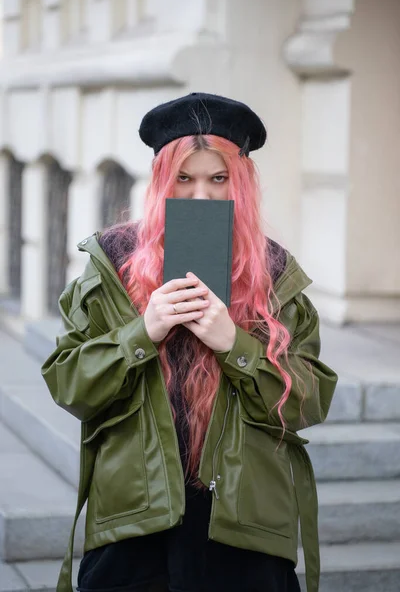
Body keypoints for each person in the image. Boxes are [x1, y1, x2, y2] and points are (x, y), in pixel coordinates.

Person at [41, 92, 338, 592]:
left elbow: (308, 402)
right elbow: (69, 385)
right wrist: (143, 331)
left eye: (218, 179)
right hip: (136, 517)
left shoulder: (275, 274)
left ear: (240, 182)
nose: (201, 195)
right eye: (185, 177)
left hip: (243, 525)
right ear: (161, 180)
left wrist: (235, 344)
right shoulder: (112, 265)